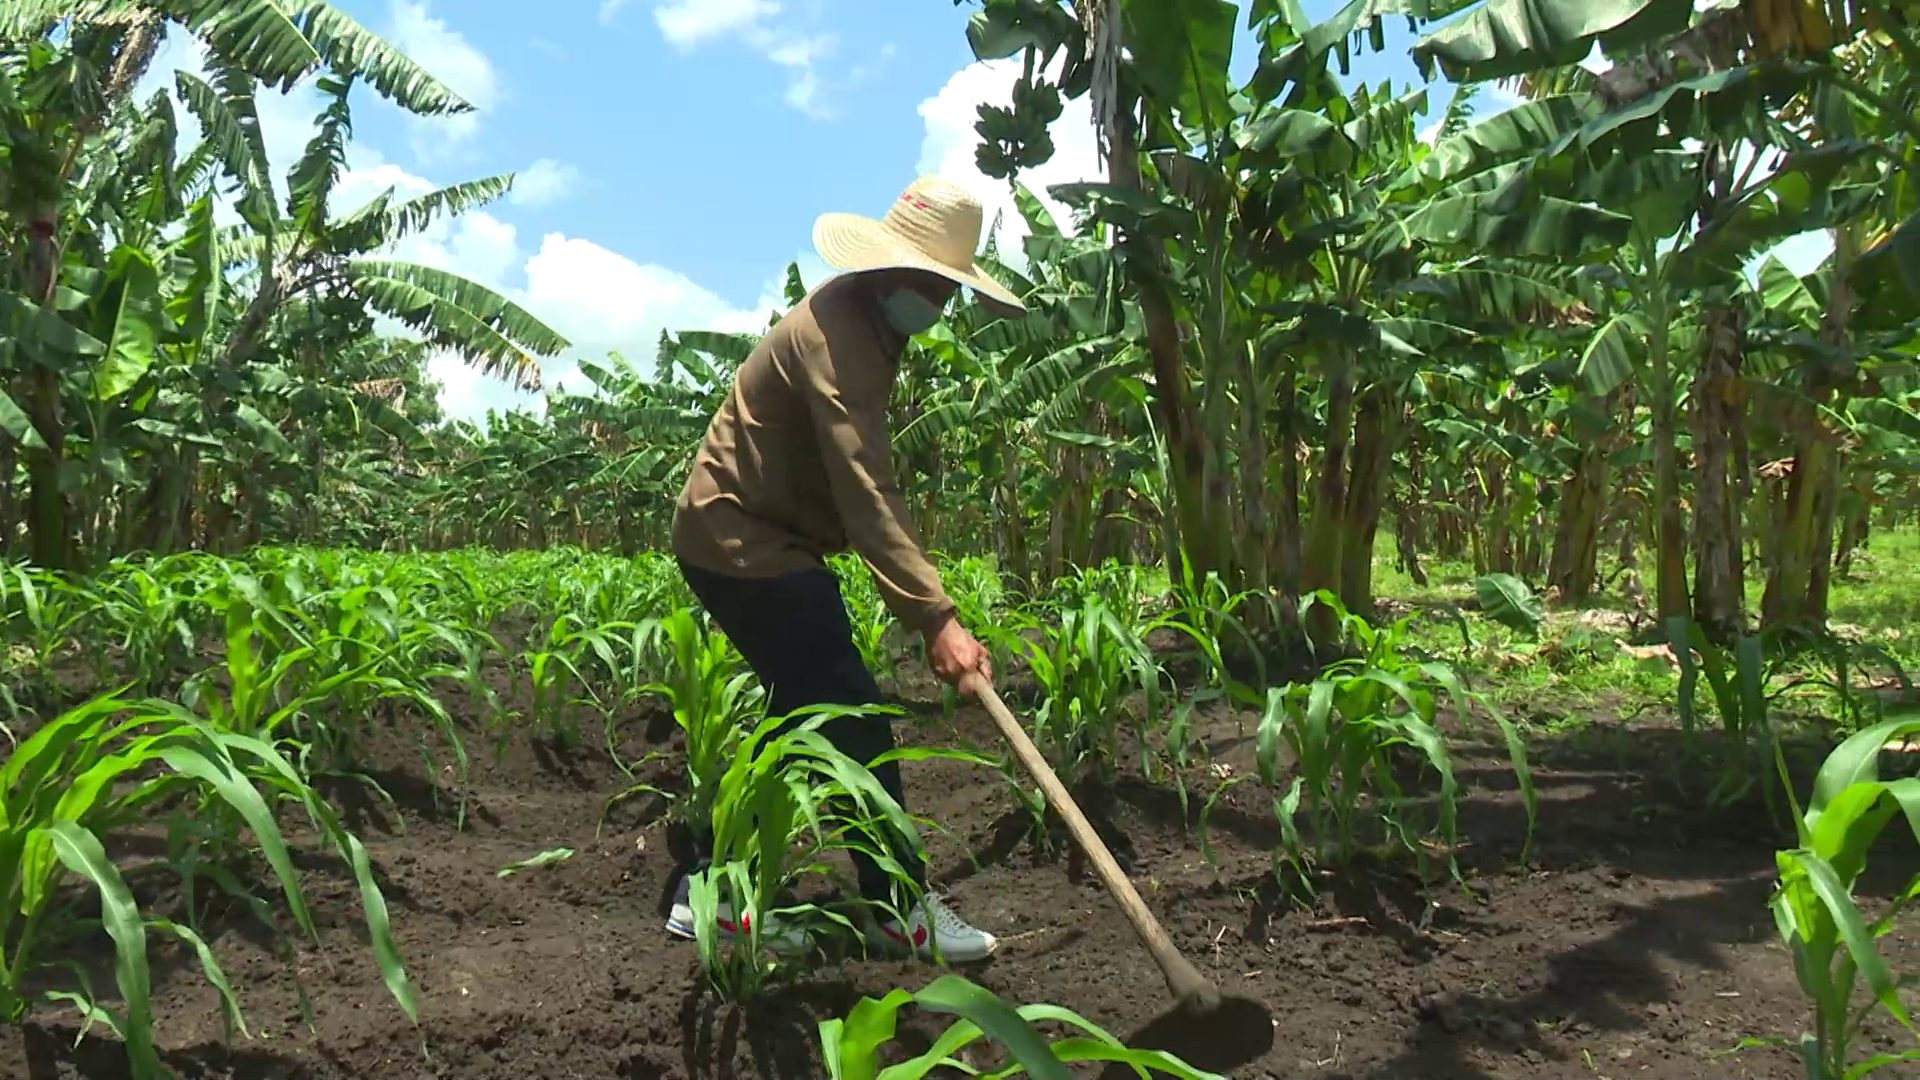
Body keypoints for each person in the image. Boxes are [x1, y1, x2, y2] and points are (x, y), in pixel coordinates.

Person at [663, 175, 1022, 963]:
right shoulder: (838, 339)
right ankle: (898, 907)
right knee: (849, 710)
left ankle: (711, 889)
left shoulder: (863, 322)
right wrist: (937, 617)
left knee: (807, 709)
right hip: (743, 541)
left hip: (755, 538)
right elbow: (866, 490)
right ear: (892, 268)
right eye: (935, 284)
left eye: (950, 288)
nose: (943, 302)